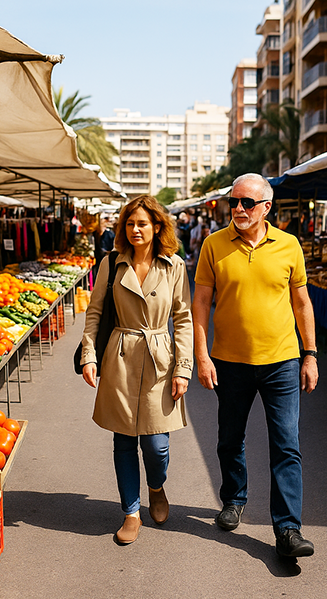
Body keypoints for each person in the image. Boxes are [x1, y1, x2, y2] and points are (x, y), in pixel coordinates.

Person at [192, 173, 319, 559]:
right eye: (233, 202)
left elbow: (301, 303)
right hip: (230, 362)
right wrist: (201, 354)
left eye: (247, 203)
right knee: (230, 439)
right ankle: (234, 499)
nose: (238, 209)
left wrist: (310, 354)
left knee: (286, 445)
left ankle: (288, 529)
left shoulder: (289, 245)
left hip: (281, 361)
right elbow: (200, 304)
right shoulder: (214, 245)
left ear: (266, 207)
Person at [80, 195, 193, 546]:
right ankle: (131, 512)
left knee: (157, 445)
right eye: (129, 224)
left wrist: (183, 368)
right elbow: (95, 312)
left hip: (160, 356)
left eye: (142, 223)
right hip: (120, 356)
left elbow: (183, 319)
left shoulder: (173, 266)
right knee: (124, 440)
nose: (135, 230)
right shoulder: (111, 263)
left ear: (157, 226)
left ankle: (156, 486)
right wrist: (89, 355)